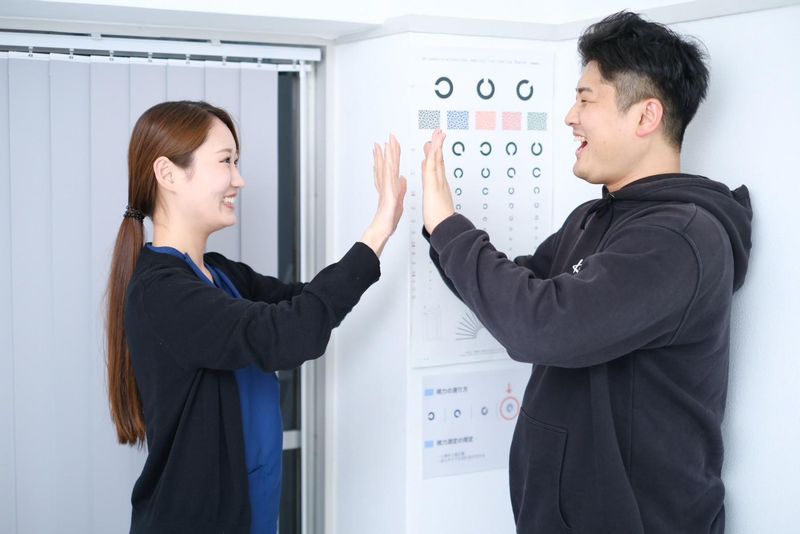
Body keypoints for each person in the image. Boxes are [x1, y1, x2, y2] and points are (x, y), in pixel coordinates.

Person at [420, 11, 751, 534]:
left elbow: (538, 326)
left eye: (586, 99)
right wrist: (439, 232)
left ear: (645, 116)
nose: (570, 117)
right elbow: (515, 291)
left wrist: (448, 227)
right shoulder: (595, 217)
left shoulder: (679, 240)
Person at [105, 100, 406, 534]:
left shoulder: (221, 275)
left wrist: (379, 238)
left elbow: (307, 303)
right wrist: (378, 231)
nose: (239, 179)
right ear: (168, 174)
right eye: (225, 161)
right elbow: (293, 333)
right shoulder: (161, 292)